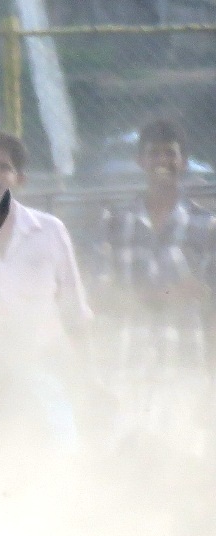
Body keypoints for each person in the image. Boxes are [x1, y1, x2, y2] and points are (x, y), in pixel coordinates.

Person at [0, 131, 94, 443]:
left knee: (65, 447)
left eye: (3, 167)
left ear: (20, 178)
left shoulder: (50, 231)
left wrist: (86, 377)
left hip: (41, 364)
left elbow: (75, 312)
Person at [94, 118, 216, 438]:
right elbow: (104, 296)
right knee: (126, 461)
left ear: (183, 161)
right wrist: (169, 294)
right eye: (154, 154)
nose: (163, 162)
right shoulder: (116, 220)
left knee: (180, 465)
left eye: (170, 154)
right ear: (141, 161)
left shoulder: (206, 225)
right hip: (126, 363)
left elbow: (209, 304)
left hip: (185, 363)